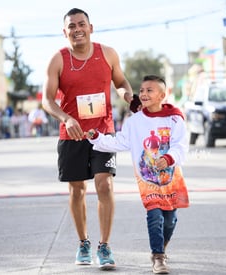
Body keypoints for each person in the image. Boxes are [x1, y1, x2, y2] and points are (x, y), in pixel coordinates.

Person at [42, 8, 138, 270]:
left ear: (91, 27)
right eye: (71, 26)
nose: (77, 29)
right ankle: (83, 242)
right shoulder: (58, 60)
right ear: (65, 32)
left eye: (81, 24)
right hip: (72, 134)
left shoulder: (107, 54)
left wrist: (128, 96)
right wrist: (66, 118)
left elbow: (121, 82)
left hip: (103, 133)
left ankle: (104, 246)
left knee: (104, 185)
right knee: (77, 189)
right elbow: (47, 100)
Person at [85, 75, 190, 274]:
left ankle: (162, 248)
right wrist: (97, 137)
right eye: (141, 90)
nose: (143, 94)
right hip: (147, 180)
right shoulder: (134, 122)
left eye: (150, 90)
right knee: (155, 215)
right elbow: (120, 142)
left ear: (162, 95)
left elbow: (181, 145)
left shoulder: (175, 118)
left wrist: (168, 158)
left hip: (170, 178)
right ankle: (157, 257)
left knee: (170, 220)